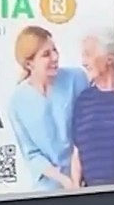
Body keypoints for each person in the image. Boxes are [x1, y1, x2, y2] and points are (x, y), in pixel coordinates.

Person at [7, 26, 90, 191]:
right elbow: (31, 154)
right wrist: (63, 180)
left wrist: (76, 178)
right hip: (48, 185)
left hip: (85, 178)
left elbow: (88, 131)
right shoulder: (17, 101)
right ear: (29, 63)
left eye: (55, 50)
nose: (55, 57)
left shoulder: (76, 78)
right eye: (46, 54)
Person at [70, 28, 114, 188]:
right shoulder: (84, 100)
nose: (83, 62)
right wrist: (75, 188)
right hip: (93, 195)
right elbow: (77, 152)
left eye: (88, 54)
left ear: (109, 58)